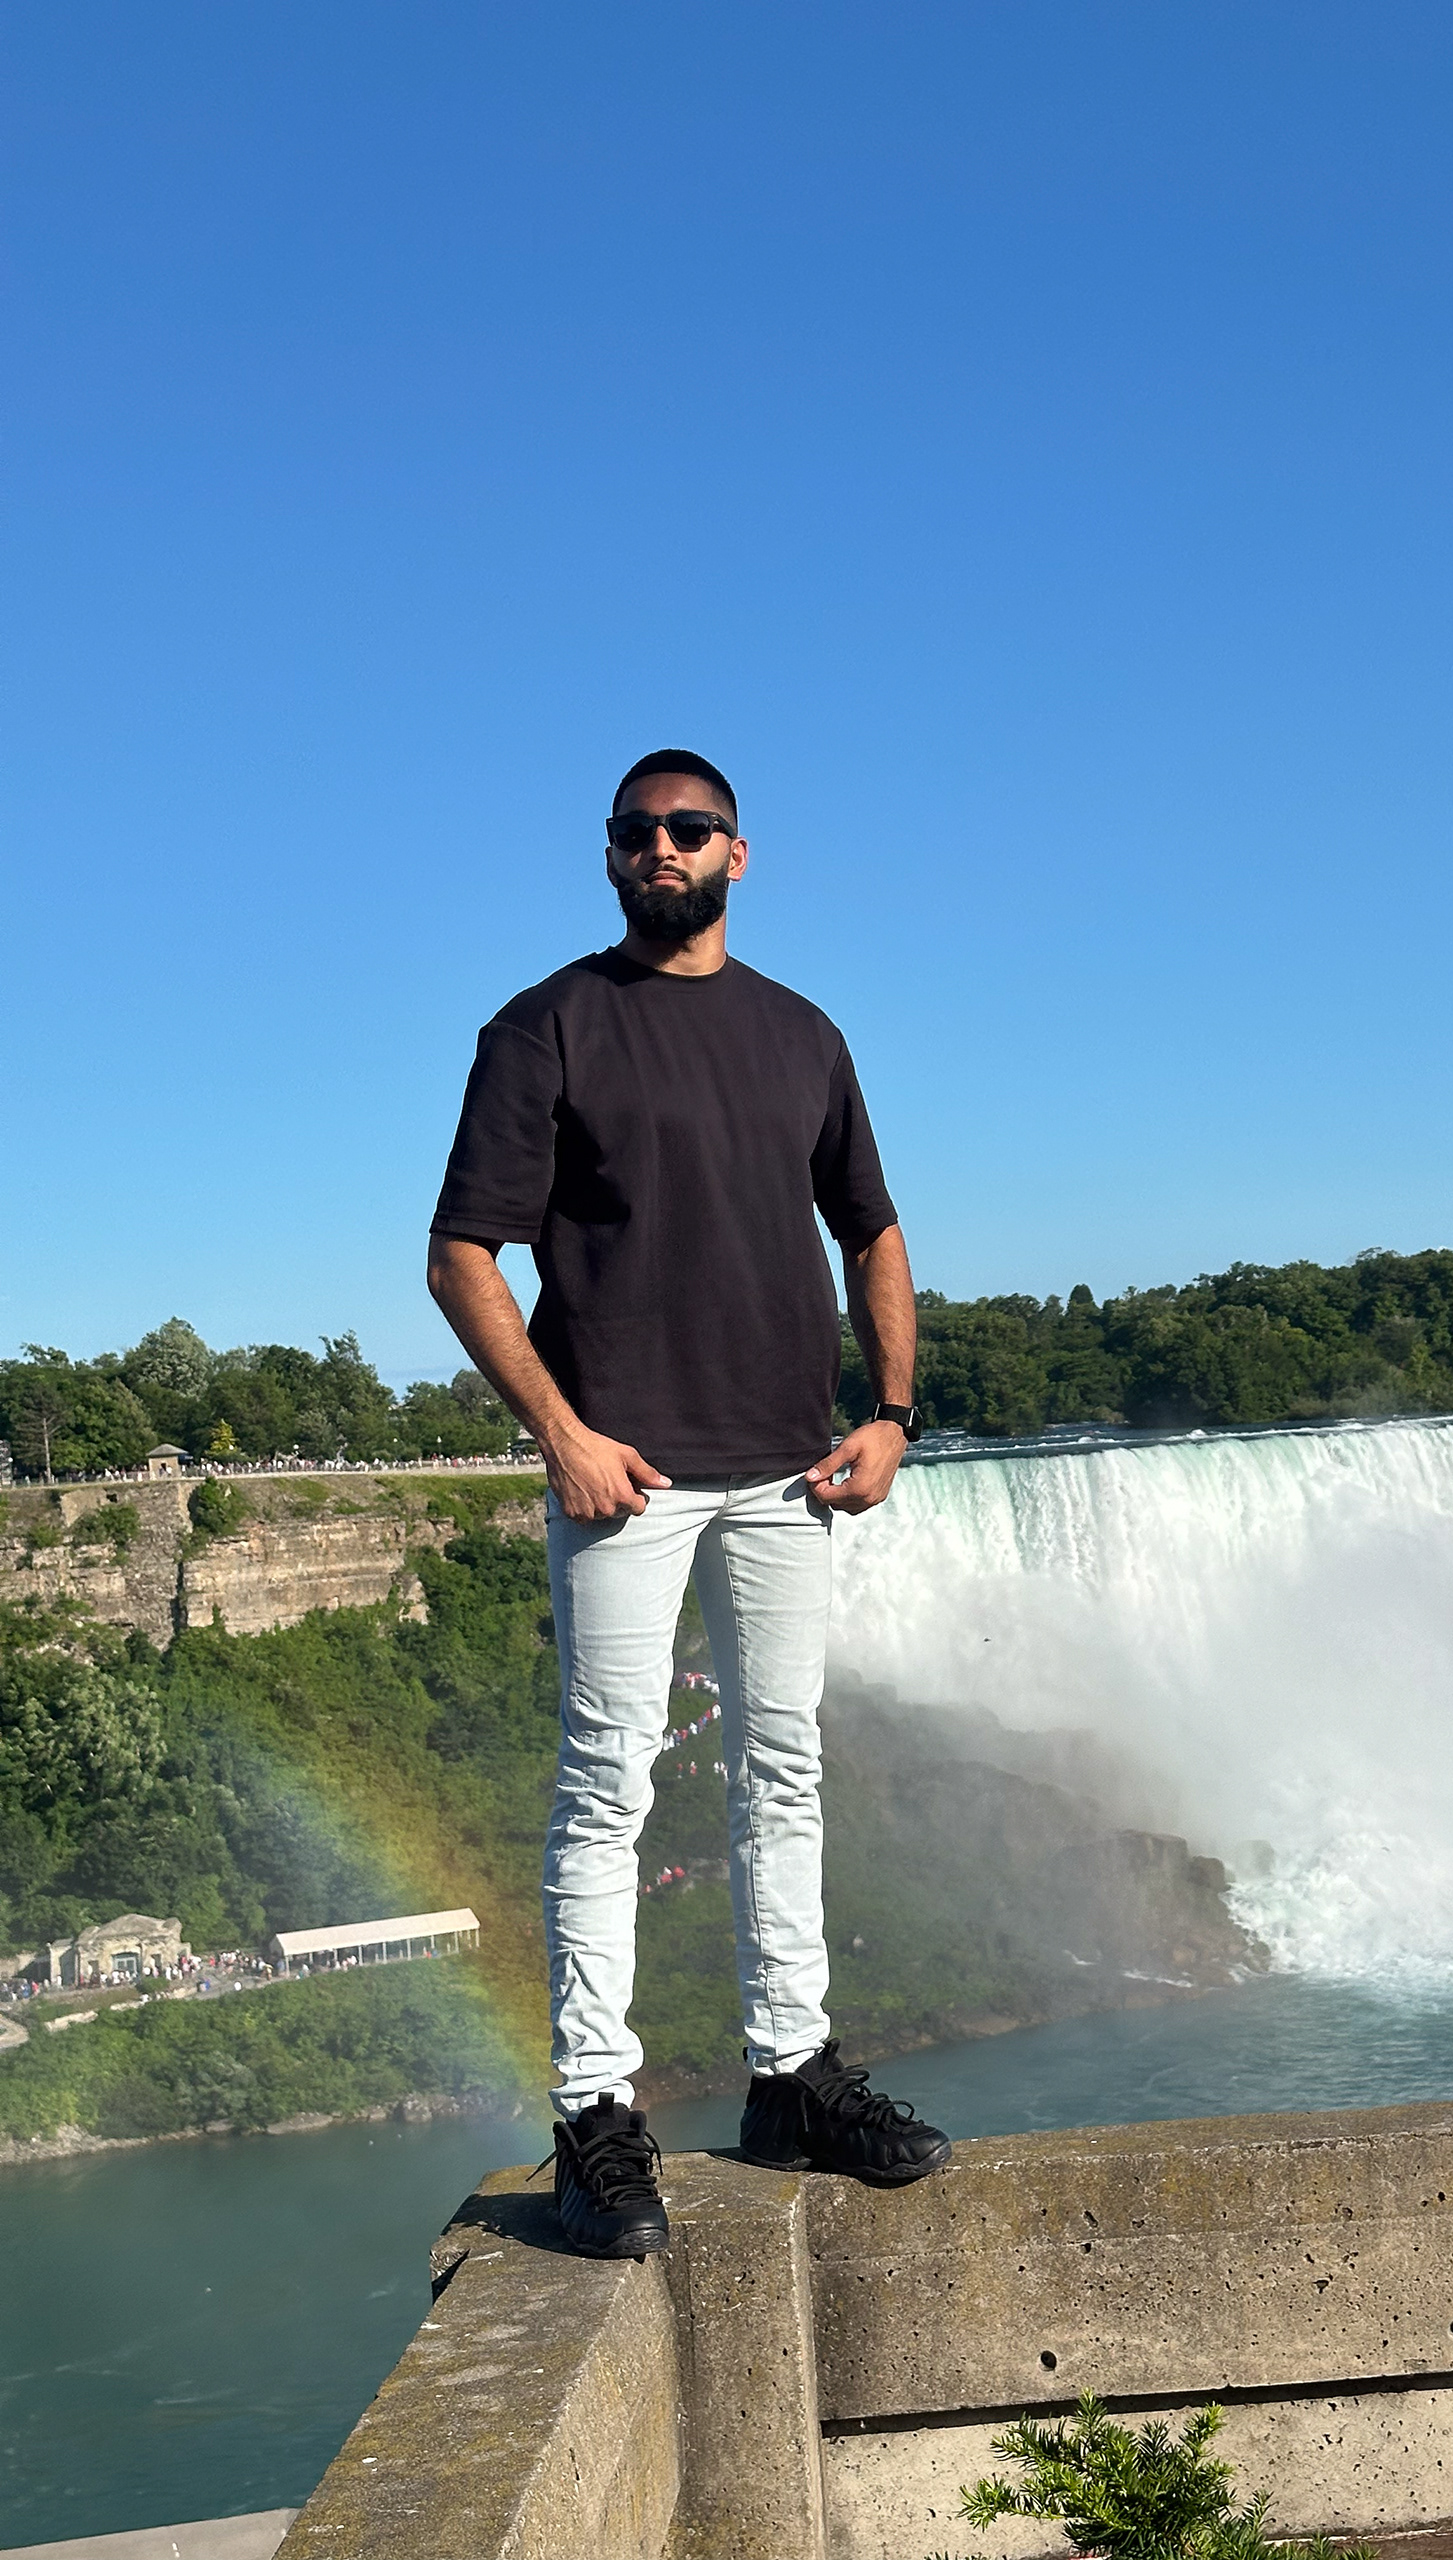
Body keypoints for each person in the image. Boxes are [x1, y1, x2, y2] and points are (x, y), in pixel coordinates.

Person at [426, 747, 951, 2258]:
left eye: (691, 828)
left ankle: (792, 2075)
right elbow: (461, 1254)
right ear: (610, 856)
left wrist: (894, 1413)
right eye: (637, 831)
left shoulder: (803, 1034)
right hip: (629, 1480)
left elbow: (874, 1230)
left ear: (738, 851)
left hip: (791, 1470)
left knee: (782, 1770)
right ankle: (597, 2114)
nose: (663, 847)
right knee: (610, 1785)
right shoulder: (546, 1028)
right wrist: (561, 1434)